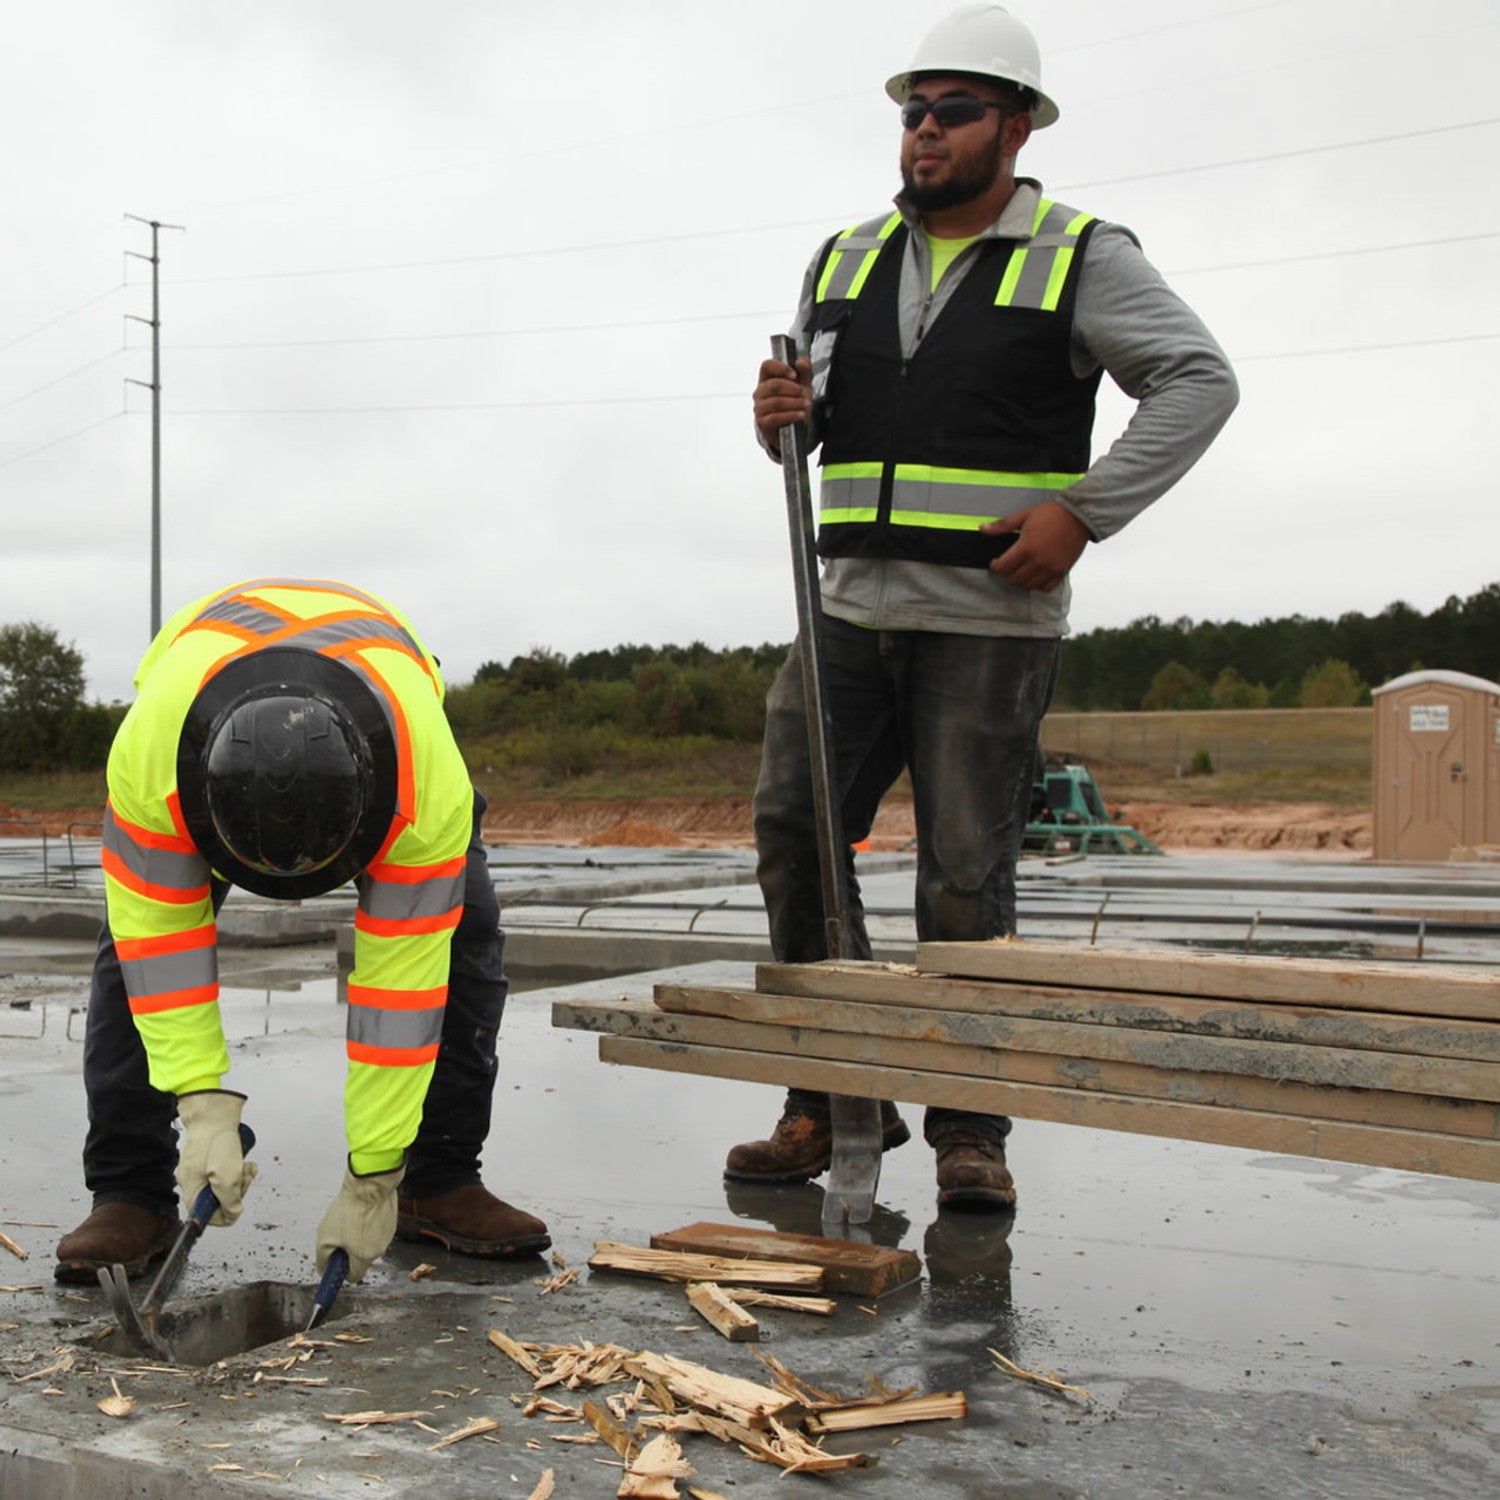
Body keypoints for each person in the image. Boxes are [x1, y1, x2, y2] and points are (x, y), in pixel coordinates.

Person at [730, 3, 1239, 1208]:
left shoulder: (1079, 251)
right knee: (796, 834)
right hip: (846, 606)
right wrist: (777, 423)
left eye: (953, 112)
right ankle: (831, 1096)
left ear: (1014, 125)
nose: (925, 134)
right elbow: (819, 425)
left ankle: (970, 1127)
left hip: (988, 626)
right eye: (913, 113)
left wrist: (1088, 509)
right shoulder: (843, 257)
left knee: (964, 877)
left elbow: (1197, 380)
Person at [55, 576, 549, 1284]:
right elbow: (159, 953)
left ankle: (435, 1180)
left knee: (461, 944)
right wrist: (202, 1111)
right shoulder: (152, 764)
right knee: (127, 958)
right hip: (190, 718)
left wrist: (373, 1173)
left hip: (397, 732)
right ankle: (130, 1192)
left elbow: (399, 997)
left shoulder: (423, 785)